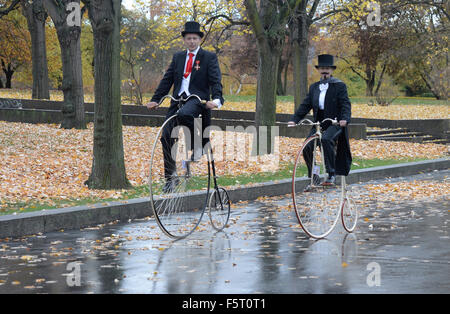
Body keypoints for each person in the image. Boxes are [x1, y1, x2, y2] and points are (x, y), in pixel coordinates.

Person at [145, 21, 224, 192]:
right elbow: (167, 80)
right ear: (184, 39)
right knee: (166, 136)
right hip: (177, 100)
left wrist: (217, 100)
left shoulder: (208, 57)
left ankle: (199, 145)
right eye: (188, 38)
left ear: (200, 40)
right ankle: (171, 179)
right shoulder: (178, 57)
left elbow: (215, 81)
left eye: (195, 38)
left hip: (197, 99)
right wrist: (156, 100)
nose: (192, 41)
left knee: (185, 114)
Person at [288, 54, 352, 186]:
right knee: (307, 147)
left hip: (334, 122)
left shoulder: (339, 86)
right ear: (318, 70)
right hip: (319, 123)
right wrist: (295, 119)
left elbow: (345, 104)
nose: (325, 70)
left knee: (326, 139)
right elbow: (305, 105)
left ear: (332, 70)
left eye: (327, 68)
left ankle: (331, 173)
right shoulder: (314, 87)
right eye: (322, 68)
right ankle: (315, 174)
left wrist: (344, 119)